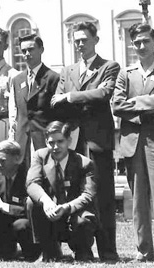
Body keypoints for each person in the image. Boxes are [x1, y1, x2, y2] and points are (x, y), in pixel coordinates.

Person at [51, 20, 120, 261]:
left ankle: (108, 251)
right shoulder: (67, 70)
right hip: (73, 141)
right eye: (76, 40)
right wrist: (77, 98)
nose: (80, 44)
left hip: (97, 142)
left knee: (102, 196)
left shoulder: (109, 66)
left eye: (84, 40)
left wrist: (70, 96)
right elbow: (55, 101)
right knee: (76, 194)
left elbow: (103, 94)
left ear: (95, 40)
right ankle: (82, 249)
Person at [111, 23, 154, 262]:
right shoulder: (126, 73)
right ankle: (143, 251)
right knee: (138, 202)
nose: (141, 46)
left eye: (145, 41)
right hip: (133, 143)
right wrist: (148, 103)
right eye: (137, 43)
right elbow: (116, 105)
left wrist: (136, 102)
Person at [27, 121, 98, 261]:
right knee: (31, 202)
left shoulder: (84, 163)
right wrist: (46, 202)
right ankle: (49, 251)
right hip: (50, 212)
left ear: (69, 141)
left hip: (73, 213)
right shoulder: (40, 156)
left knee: (85, 219)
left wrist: (66, 207)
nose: (55, 147)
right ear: (46, 142)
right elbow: (31, 183)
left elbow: (88, 194)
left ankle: (82, 251)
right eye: (51, 142)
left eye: (60, 141)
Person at [0, 140, 36, 260]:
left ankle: (32, 254)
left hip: (27, 223)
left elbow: (30, 211)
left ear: (17, 159)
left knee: (21, 225)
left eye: (2, 161)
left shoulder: (29, 177)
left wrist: (4, 206)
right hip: (4, 222)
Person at [9, 34, 60, 159]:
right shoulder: (17, 80)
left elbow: (59, 113)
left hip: (44, 139)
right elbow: (16, 113)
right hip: (22, 141)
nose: (27, 54)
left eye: (31, 49)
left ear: (41, 50)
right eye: (24, 51)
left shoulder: (53, 78)